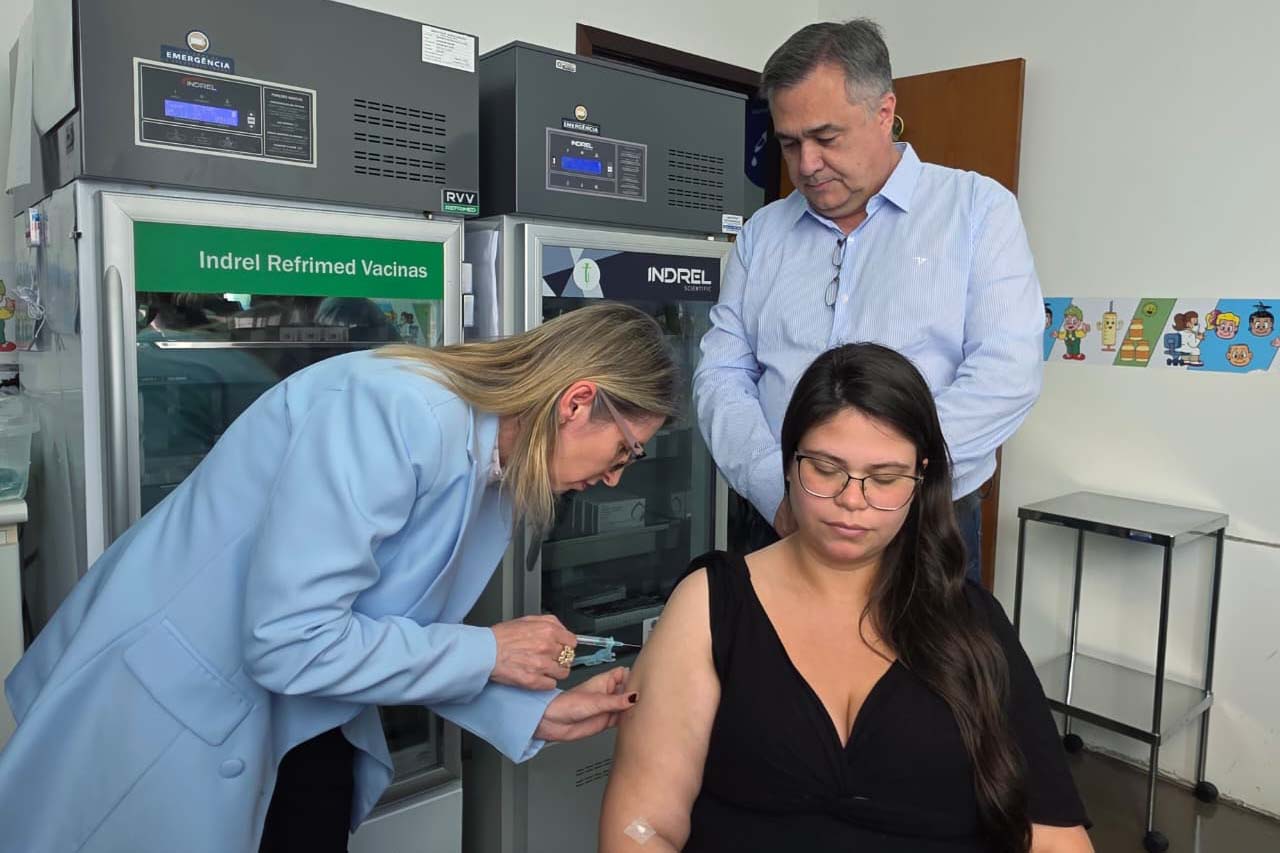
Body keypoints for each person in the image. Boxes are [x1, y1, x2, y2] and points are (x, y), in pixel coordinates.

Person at [0, 302, 677, 853]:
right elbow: (289, 639)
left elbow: (386, 635)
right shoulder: (400, 410)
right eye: (625, 451)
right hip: (172, 708)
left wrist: (531, 708)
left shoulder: (493, 468)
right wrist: (491, 651)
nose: (614, 478)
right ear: (577, 402)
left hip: (295, 712)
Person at [603, 343, 1092, 853]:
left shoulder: (971, 621)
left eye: (885, 478)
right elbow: (642, 827)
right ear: (789, 463)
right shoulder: (710, 605)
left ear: (920, 478)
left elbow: (1057, 838)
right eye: (825, 469)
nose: (852, 500)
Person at [694, 19, 1044, 581]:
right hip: (781, 516)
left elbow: (1007, 372)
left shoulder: (976, 210)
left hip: (924, 522)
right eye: (790, 143)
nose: (807, 164)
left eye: (826, 138)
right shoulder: (762, 233)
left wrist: (885, 486)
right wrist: (776, 489)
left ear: (884, 112)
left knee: (928, 646)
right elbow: (722, 374)